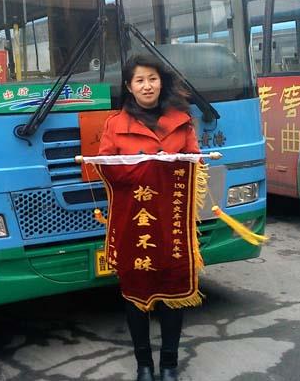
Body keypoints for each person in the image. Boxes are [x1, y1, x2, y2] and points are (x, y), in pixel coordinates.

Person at [98, 53, 200, 381]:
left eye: (152, 79)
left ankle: (169, 364)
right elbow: (106, 167)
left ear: (161, 82)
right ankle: (144, 364)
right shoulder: (115, 125)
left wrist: (170, 164)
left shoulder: (182, 120)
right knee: (135, 293)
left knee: (174, 293)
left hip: (172, 222)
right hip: (133, 221)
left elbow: (194, 163)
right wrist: (147, 167)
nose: (147, 86)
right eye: (140, 80)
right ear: (129, 86)